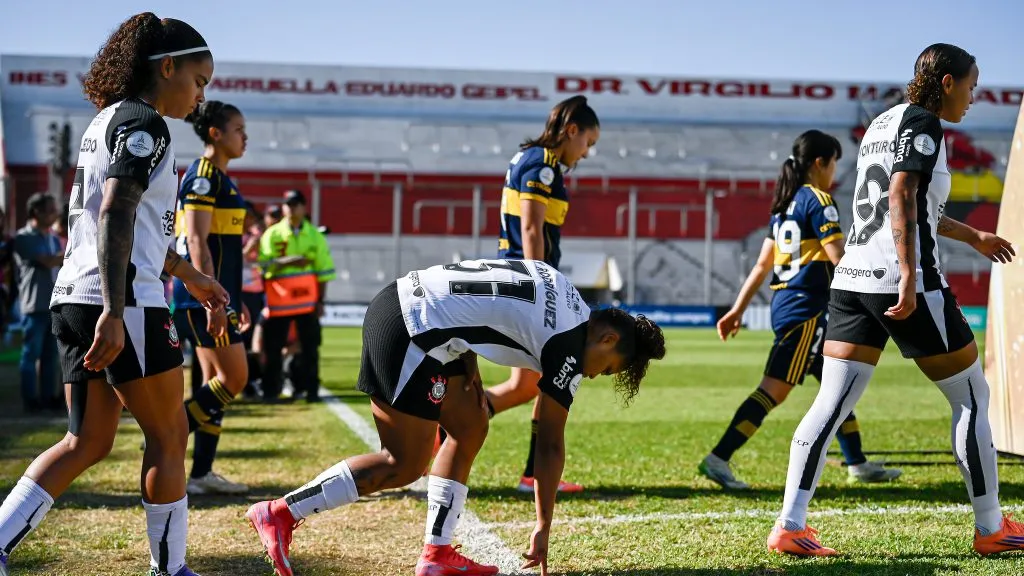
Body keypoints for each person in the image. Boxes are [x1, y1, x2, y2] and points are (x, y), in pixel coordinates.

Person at [246, 258, 666, 576]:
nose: (594, 376)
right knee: (404, 463)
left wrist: (469, 362)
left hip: (412, 308)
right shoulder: (569, 349)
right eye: (607, 369)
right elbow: (550, 442)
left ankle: (437, 554)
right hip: (410, 330)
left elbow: (480, 297)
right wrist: (543, 524)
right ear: (607, 338)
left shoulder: (563, 286)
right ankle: (280, 512)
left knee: (471, 425)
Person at [769, 43, 1020, 557]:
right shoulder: (925, 123)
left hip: (853, 279)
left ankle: (789, 525)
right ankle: (992, 527)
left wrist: (973, 236)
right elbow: (901, 193)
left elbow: (907, 204)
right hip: (904, 280)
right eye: (971, 85)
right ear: (947, 82)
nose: (973, 97)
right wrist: (908, 275)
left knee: (831, 403)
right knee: (972, 397)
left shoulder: (882, 124)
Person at [0, 13, 228, 576]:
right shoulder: (146, 123)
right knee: (170, 434)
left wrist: (190, 275)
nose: (201, 95)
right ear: (167, 67)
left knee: (87, 441)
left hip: (75, 296)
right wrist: (114, 310)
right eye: (199, 80)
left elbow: (135, 229)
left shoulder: (107, 120)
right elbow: (116, 212)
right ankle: (169, 569)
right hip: (121, 304)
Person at [700, 131, 901, 489]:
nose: (834, 171)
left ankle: (857, 463)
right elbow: (838, 257)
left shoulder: (785, 204)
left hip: (786, 304)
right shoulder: (818, 199)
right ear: (820, 163)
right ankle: (718, 458)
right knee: (773, 390)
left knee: (838, 384)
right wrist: (872, 294)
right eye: (834, 162)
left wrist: (737, 310)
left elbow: (762, 265)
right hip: (806, 309)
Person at [483, 95, 601, 493]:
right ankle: (532, 474)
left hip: (518, 279)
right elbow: (532, 229)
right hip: (527, 283)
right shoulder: (543, 165)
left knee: (526, 385)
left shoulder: (531, 158)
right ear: (571, 131)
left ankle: (450, 429)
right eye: (587, 142)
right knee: (553, 376)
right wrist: (541, 285)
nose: (587, 152)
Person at [171, 100, 252, 495]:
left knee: (212, 382)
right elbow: (197, 242)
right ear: (216, 134)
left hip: (215, 295)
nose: (245, 137)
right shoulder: (204, 176)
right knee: (234, 378)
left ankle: (200, 474)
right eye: (239, 130)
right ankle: (168, 435)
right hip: (200, 299)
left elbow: (222, 249)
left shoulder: (220, 177)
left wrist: (235, 297)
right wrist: (214, 301)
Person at [257, 189, 334, 403]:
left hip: (307, 303)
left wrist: (320, 301)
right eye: (288, 204)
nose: (291, 208)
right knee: (273, 349)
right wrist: (290, 262)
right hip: (279, 302)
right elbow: (264, 266)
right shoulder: (272, 234)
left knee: (310, 350)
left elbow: (323, 271)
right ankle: (270, 392)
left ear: (303, 207)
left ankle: (311, 391)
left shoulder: (315, 236)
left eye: (295, 204)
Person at [13, 193, 62, 413]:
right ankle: (30, 399)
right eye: (50, 210)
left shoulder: (52, 238)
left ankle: (48, 398)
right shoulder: (23, 237)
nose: (55, 214)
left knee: (50, 357)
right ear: (36, 212)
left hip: (52, 304)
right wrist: (72, 253)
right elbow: (48, 261)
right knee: (30, 355)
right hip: (34, 306)